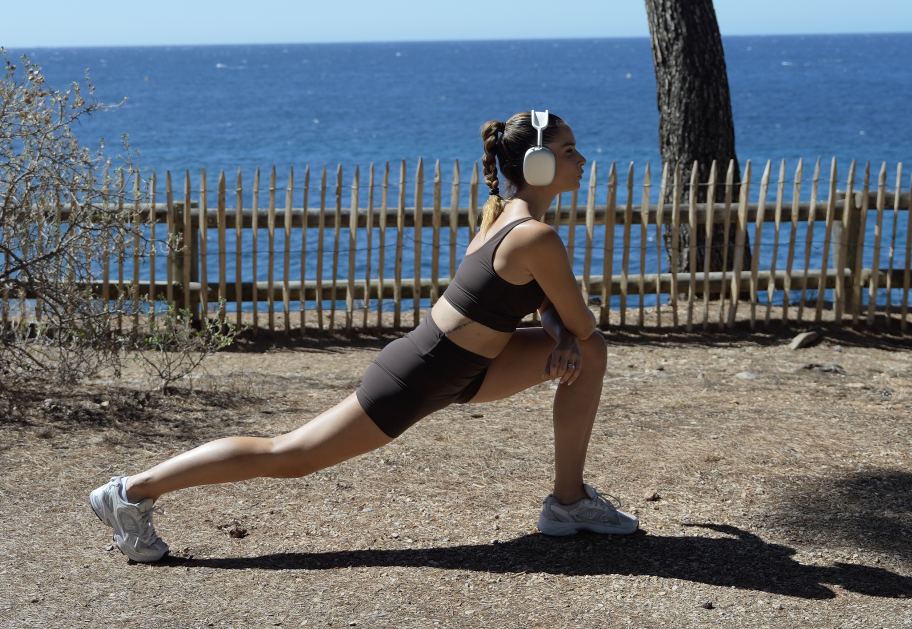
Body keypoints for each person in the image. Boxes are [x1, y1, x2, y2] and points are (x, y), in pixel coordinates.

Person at [90, 111, 639, 563]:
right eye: (569, 151)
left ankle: (568, 502)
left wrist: (561, 334)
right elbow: (581, 319)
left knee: (588, 353)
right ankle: (131, 492)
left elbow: (553, 312)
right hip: (421, 372)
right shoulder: (533, 236)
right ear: (538, 164)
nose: (582, 160)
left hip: (473, 367)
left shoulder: (508, 219)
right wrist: (568, 332)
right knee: (290, 456)